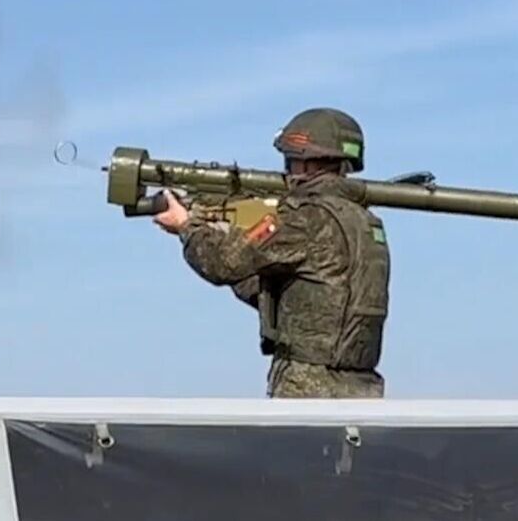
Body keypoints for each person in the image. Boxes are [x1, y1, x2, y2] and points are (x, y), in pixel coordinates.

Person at [152, 107, 391, 398]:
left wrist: (187, 226)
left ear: (307, 163)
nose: (287, 170)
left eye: (290, 161)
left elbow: (221, 263)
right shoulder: (366, 224)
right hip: (360, 390)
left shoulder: (305, 219)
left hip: (308, 390)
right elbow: (302, 302)